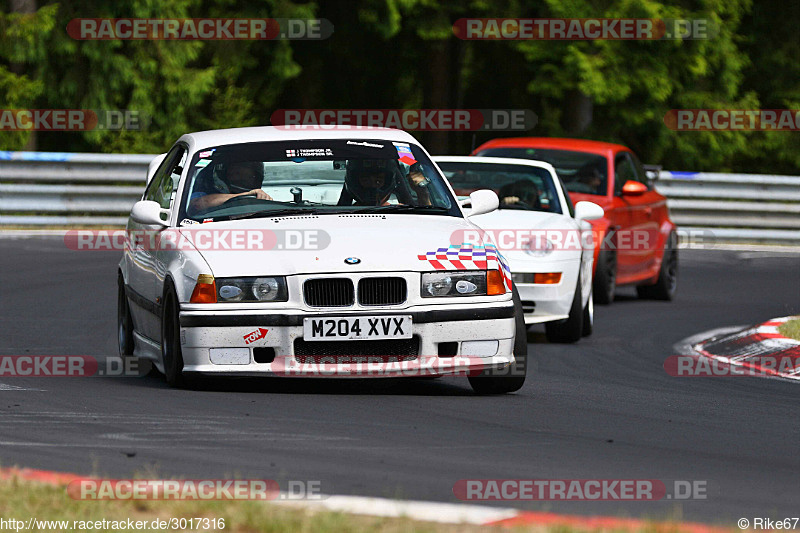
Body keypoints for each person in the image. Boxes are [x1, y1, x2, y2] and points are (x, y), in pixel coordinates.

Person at [189, 160, 273, 213]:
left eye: (252, 175)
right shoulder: (205, 184)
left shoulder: (263, 198)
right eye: (238, 172)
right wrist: (246, 196)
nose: (241, 175)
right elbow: (196, 204)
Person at [338, 160, 430, 206]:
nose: (372, 186)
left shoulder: (403, 211)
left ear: (387, 183)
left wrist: (423, 195)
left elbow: (427, 223)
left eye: (378, 181)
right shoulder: (338, 216)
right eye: (366, 180)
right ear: (355, 182)